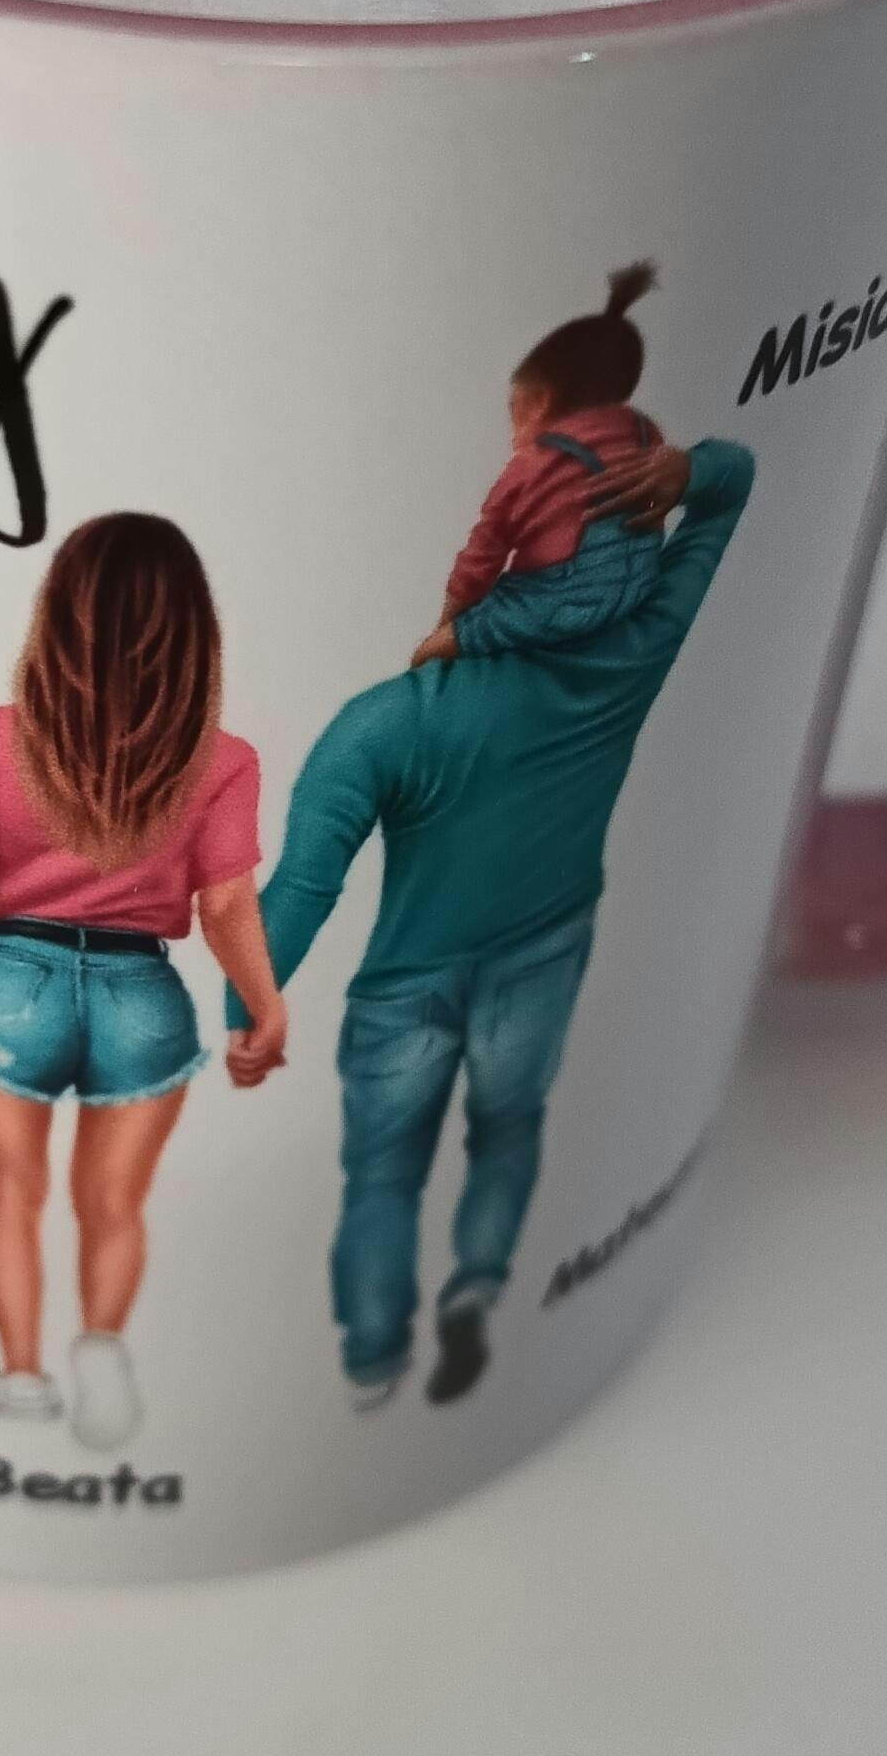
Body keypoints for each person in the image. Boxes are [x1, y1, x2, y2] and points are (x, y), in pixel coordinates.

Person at [247, 433, 754, 1409]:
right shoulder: (637, 652)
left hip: (406, 984)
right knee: (510, 1124)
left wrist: (243, 1011)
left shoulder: (388, 718)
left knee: (382, 1176)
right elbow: (732, 490)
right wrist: (689, 475)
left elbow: (303, 892)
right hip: (546, 950)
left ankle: (373, 1357)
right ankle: (478, 1284)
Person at [0, 514, 287, 1450]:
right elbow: (226, 907)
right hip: (143, 995)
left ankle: (18, 1378)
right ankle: (100, 1350)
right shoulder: (222, 762)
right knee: (114, 1205)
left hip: (9, 979)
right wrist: (265, 1005)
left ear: (58, 611)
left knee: (11, 1192)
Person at [413, 261, 671, 667]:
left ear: (539, 402)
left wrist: (448, 623)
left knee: (436, 648)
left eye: (513, 411)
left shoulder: (532, 465)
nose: (512, 433)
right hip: (637, 585)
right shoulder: (644, 432)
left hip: (561, 606)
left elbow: (481, 558)